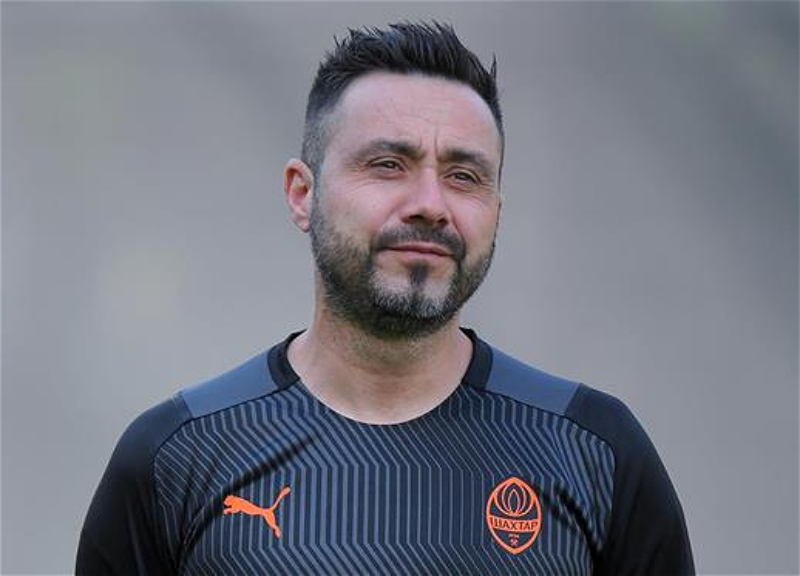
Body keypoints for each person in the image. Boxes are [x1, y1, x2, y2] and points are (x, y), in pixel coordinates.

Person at [76, 21, 694, 576]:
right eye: (388, 164)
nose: (430, 204)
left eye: (464, 176)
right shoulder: (177, 456)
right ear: (302, 194)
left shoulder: (594, 450)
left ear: (496, 213)